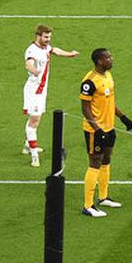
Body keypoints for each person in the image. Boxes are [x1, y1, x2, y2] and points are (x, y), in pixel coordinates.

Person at [79, 49, 132, 218]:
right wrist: (97, 130)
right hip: (95, 130)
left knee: (106, 159)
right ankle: (88, 205)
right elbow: (85, 109)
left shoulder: (108, 76)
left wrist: (123, 117)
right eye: (108, 57)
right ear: (99, 61)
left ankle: (103, 197)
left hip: (109, 127)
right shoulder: (89, 81)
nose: (111, 59)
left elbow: (110, 101)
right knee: (95, 162)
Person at [22, 25, 79, 167]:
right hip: (33, 91)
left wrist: (70, 54)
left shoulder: (45, 48)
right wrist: (34, 70)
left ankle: (27, 145)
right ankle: (34, 155)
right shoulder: (32, 50)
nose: (48, 39)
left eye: (49, 37)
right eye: (46, 37)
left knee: (36, 119)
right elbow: (28, 64)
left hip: (41, 91)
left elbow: (55, 50)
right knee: (34, 121)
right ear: (38, 36)